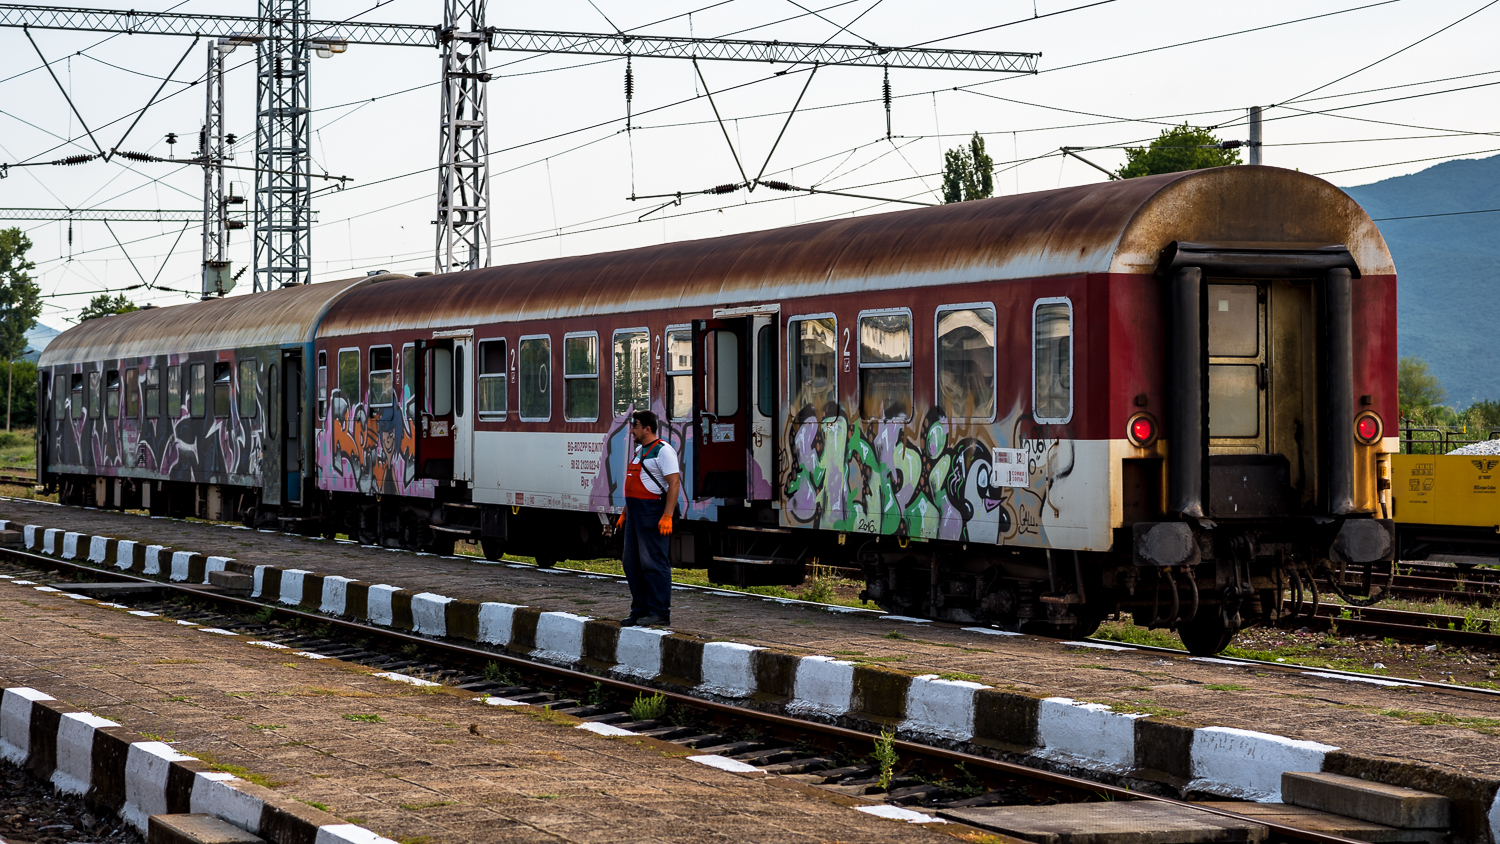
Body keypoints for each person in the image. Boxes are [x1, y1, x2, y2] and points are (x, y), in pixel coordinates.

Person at [615, 409, 680, 627]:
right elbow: (634, 483)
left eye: (635, 426)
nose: (632, 430)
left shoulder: (663, 451)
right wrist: (625, 513)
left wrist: (667, 515)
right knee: (631, 563)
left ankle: (660, 612)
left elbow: (674, 483)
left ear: (647, 428)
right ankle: (640, 610)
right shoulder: (639, 451)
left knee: (653, 562)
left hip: (653, 512)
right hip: (635, 513)